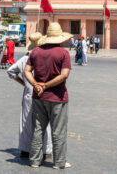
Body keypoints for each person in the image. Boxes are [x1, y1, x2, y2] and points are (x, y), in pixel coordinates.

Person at [24, 22, 72, 170]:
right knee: (58, 131)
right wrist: (45, 85)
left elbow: (27, 71)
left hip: (38, 97)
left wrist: (37, 85)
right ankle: (59, 162)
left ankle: (35, 161)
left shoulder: (35, 51)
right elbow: (64, 75)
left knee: (38, 129)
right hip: (57, 97)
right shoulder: (63, 53)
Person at [7, 32, 52, 159]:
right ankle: (46, 150)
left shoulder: (24, 59)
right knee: (45, 121)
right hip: (44, 91)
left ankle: (26, 149)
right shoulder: (46, 57)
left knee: (26, 122)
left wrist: (24, 83)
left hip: (29, 92)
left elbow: (10, 71)